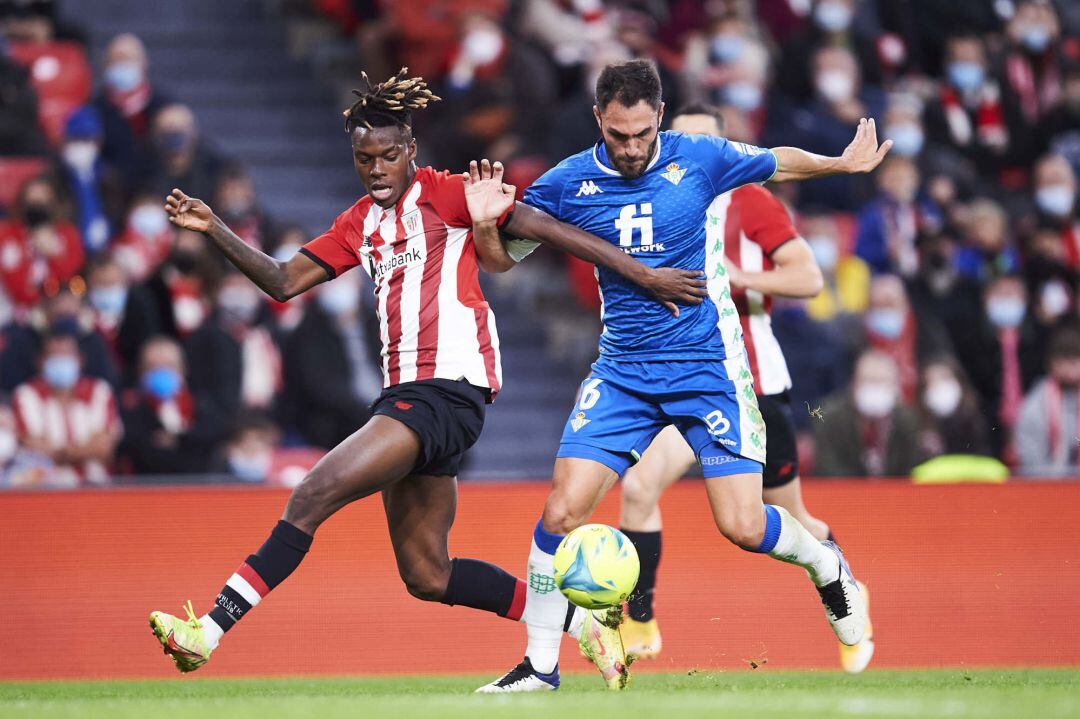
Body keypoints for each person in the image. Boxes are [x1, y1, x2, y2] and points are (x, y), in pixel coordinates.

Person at [147, 68, 705, 675]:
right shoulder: (357, 223)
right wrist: (215, 229)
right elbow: (283, 282)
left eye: (389, 155)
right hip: (410, 398)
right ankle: (583, 626)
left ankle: (206, 629)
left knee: (311, 494)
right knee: (428, 574)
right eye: (366, 159)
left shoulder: (446, 192)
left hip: (448, 391)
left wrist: (641, 273)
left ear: (411, 150)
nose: (378, 169)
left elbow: (550, 230)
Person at [474, 59, 890, 692]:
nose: (632, 147)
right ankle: (539, 667)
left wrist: (838, 164)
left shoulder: (699, 156)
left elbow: (776, 159)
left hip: (707, 370)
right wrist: (483, 223)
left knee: (744, 527)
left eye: (642, 133)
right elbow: (501, 262)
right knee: (560, 511)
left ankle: (829, 567)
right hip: (623, 373)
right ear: (598, 121)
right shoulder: (566, 182)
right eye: (618, 135)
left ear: (659, 118)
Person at [591, 103, 874, 675]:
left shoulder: (749, 200)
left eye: (707, 142)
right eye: (684, 139)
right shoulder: (648, 199)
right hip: (683, 375)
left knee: (785, 516)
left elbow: (809, 277)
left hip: (755, 380)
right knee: (641, 483)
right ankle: (641, 623)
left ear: (727, 149)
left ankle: (839, 582)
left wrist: (736, 277)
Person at [10, 332, 121, 487]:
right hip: (45, 488)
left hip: (96, 486)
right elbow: (30, 444)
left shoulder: (99, 391)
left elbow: (104, 447)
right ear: (40, 361)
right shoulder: (26, 394)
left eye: (66, 354)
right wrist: (81, 451)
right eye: (54, 355)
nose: (61, 360)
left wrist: (60, 453)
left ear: (80, 360)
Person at [117, 336, 224, 475]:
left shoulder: (201, 404)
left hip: (195, 487)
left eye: (169, 366)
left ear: (182, 369)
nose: (161, 372)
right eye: (152, 367)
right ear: (141, 371)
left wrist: (178, 438)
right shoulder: (129, 407)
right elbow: (133, 445)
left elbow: (212, 438)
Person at [813, 349, 923, 477]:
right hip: (846, 493)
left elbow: (912, 469)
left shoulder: (908, 420)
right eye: (869, 380)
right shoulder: (829, 418)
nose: (875, 389)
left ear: (895, 387)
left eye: (882, 381)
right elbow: (828, 470)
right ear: (854, 384)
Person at [1014, 325, 1080, 477]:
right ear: (1051, 364)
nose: (1069, 368)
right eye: (1063, 360)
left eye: (1074, 360)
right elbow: (1029, 456)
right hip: (1048, 485)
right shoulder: (1036, 404)